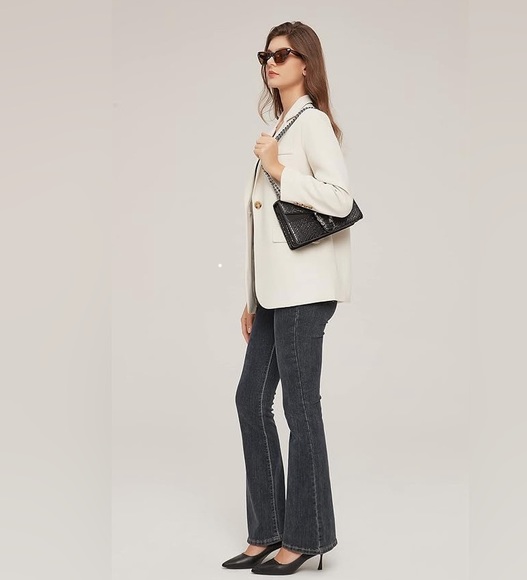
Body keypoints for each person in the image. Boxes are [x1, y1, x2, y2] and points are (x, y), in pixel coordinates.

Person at [222, 21, 354, 576]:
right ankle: (267, 531)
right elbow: (262, 226)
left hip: (305, 289)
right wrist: (251, 298)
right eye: (266, 55)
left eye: (282, 54)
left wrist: (278, 167)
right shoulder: (283, 124)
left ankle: (307, 536)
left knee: (300, 408)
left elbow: (340, 198)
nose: (271, 63)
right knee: (250, 401)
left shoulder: (312, 122)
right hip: (275, 293)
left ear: (306, 63)